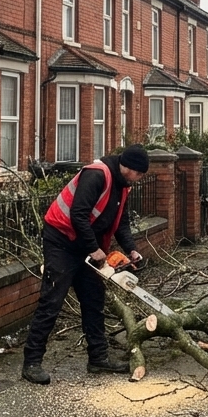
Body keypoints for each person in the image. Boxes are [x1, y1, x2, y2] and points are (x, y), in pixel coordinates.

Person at [21, 144, 150, 384]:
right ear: (128, 167)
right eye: (139, 173)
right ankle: (31, 362)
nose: (140, 178)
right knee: (52, 301)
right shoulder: (97, 174)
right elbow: (78, 213)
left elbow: (120, 223)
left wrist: (131, 249)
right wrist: (94, 249)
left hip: (85, 245)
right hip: (61, 241)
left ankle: (98, 359)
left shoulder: (123, 186)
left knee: (94, 299)